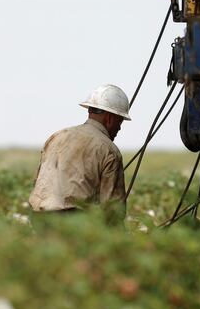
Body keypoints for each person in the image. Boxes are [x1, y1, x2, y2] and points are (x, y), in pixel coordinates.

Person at [29, 84, 130, 220]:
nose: (119, 128)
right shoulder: (109, 150)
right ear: (110, 118)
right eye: (120, 121)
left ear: (90, 112)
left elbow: (38, 182)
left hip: (38, 218)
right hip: (74, 223)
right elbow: (113, 210)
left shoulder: (57, 137)